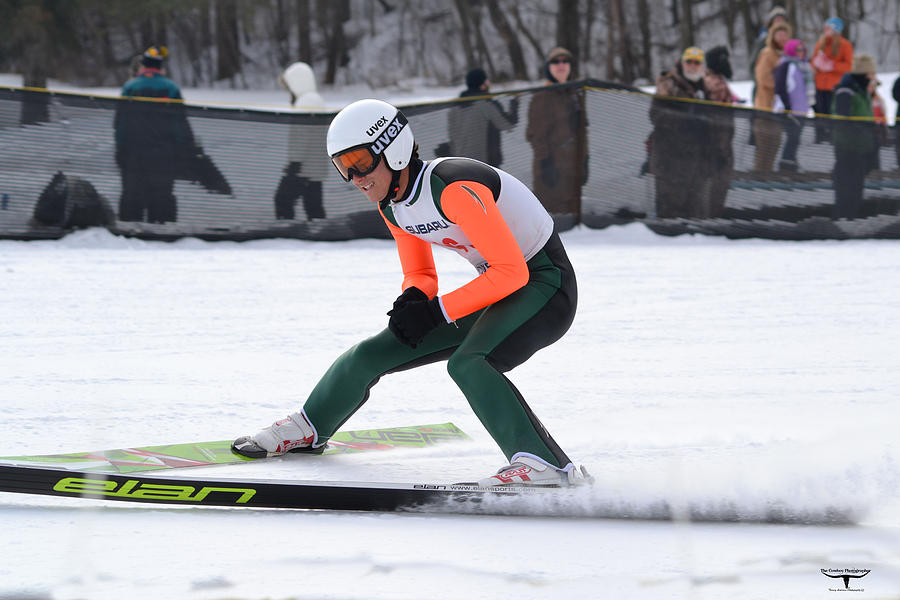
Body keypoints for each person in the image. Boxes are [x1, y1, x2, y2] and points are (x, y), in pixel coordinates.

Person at [233, 98, 584, 487]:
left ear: (393, 149)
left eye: (360, 162)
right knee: (373, 351)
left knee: (470, 362)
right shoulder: (393, 204)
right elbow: (420, 272)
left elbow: (511, 271)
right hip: (502, 288)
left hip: (546, 285)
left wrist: (436, 313)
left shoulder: (454, 187)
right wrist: (413, 299)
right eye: (343, 168)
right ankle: (310, 427)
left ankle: (544, 466)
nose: (355, 178)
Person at [114, 46, 191, 223]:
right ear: (160, 67)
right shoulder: (171, 88)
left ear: (143, 66)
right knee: (162, 194)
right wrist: (182, 151)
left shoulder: (130, 87)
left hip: (134, 152)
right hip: (164, 153)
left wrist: (121, 149)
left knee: (132, 194)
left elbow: (120, 123)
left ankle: (130, 231)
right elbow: (180, 123)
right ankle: (163, 231)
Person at [525, 47, 587, 223]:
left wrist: (584, 159)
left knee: (570, 215)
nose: (561, 65)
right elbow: (535, 134)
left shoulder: (576, 94)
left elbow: (582, 130)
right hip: (553, 165)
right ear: (548, 68)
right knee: (552, 218)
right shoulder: (542, 96)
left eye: (565, 61)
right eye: (555, 62)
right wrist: (546, 163)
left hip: (573, 164)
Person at [648, 46, 711, 218]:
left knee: (695, 213)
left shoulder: (705, 88)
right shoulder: (668, 85)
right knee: (670, 213)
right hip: (670, 161)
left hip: (696, 162)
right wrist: (685, 119)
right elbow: (655, 115)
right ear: (682, 63)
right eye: (688, 62)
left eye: (696, 63)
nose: (692, 66)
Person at [274, 62, 325, 220]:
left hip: (304, 167)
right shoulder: (314, 99)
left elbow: (302, 135)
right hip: (315, 166)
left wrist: (295, 162)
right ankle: (319, 231)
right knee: (313, 204)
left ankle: (287, 229)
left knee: (282, 199)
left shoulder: (306, 102)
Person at [830, 53, 878, 219]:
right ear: (864, 73)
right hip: (848, 148)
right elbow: (842, 119)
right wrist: (862, 130)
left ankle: (852, 217)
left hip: (861, 148)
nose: (873, 76)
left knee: (856, 187)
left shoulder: (861, 89)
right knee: (847, 187)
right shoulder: (847, 90)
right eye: (871, 72)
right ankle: (844, 217)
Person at [447, 68, 519, 167]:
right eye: (487, 80)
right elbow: (508, 124)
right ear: (482, 84)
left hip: (461, 165)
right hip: (486, 166)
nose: (489, 83)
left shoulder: (455, 108)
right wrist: (515, 102)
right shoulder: (486, 104)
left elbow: (452, 138)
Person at [703, 46, 738, 217]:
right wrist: (721, 150)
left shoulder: (716, 81)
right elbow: (716, 120)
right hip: (717, 146)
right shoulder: (715, 84)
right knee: (716, 187)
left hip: (719, 144)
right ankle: (711, 220)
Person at [753, 22, 792, 172]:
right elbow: (763, 78)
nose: (782, 38)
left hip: (779, 107)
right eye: (779, 35)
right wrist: (782, 86)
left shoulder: (787, 56)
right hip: (765, 106)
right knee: (764, 144)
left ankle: (766, 173)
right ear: (772, 36)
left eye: (784, 34)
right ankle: (759, 173)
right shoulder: (768, 54)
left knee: (775, 142)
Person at [811, 17, 854, 142]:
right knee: (819, 111)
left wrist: (832, 65)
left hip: (834, 85)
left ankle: (832, 136)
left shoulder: (845, 45)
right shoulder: (820, 44)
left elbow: (849, 66)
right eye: (825, 28)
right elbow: (813, 63)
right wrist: (816, 63)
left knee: (832, 111)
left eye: (829, 28)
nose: (826, 30)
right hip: (819, 85)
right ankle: (819, 136)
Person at [774, 39, 812, 172]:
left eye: (803, 49)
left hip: (801, 109)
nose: (801, 53)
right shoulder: (786, 65)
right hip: (789, 109)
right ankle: (785, 166)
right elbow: (780, 87)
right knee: (792, 137)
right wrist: (787, 107)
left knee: (796, 138)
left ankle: (791, 163)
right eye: (798, 50)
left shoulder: (804, 66)